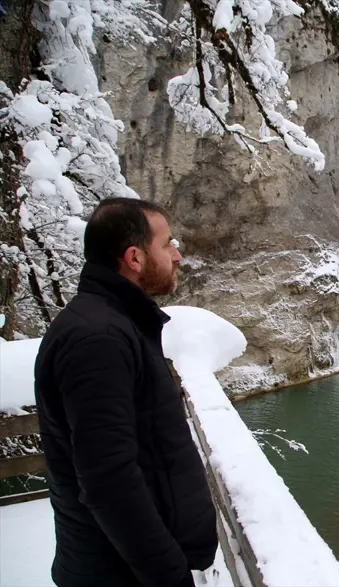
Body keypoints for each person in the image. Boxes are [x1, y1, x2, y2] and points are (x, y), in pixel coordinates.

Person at [34, 198, 218, 587]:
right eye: (167, 244)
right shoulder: (97, 339)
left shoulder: (112, 324)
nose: (178, 255)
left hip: (120, 565)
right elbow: (109, 480)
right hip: (119, 573)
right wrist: (168, 575)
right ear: (134, 258)